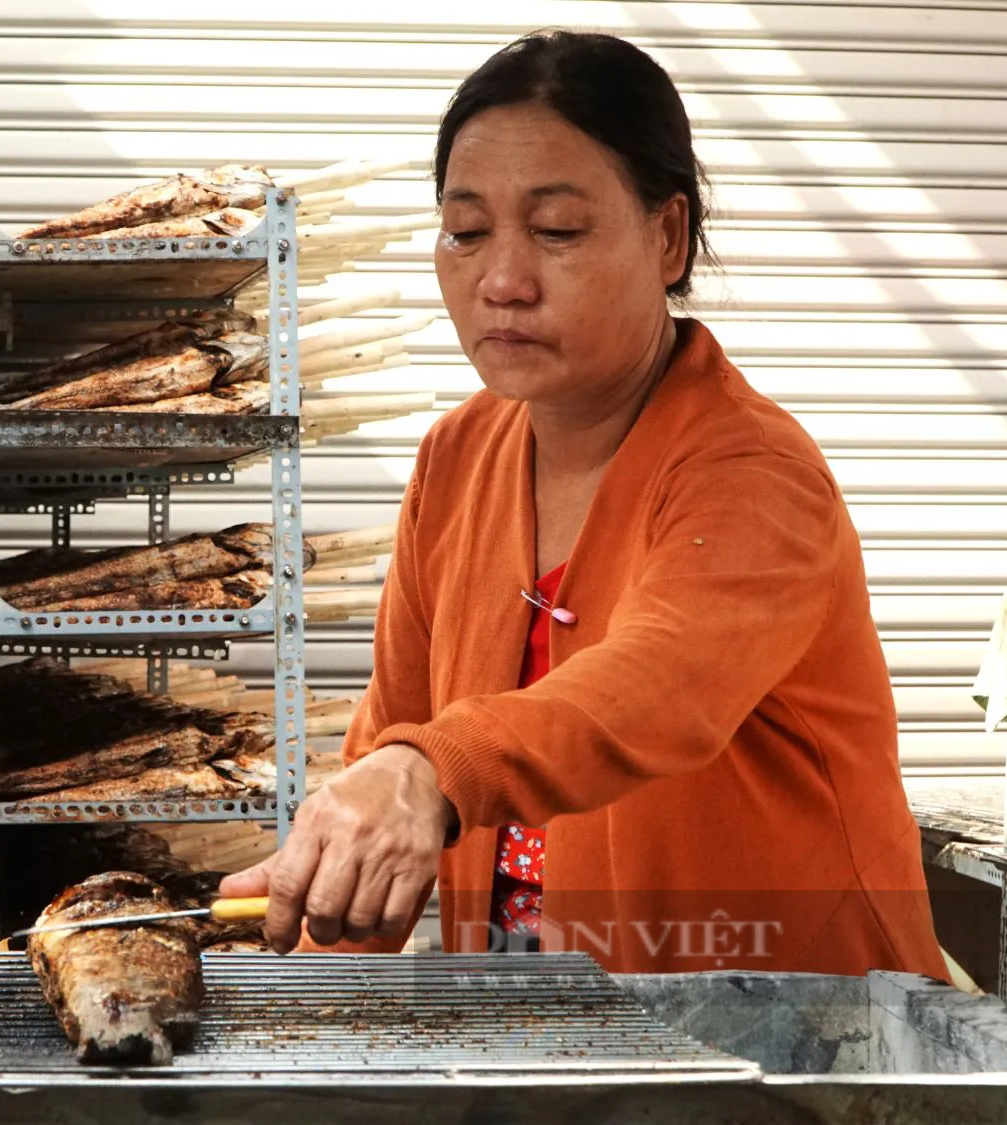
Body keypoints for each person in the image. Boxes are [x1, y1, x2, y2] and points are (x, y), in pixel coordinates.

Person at [221, 29, 946, 978]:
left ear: (667, 236)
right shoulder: (455, 456)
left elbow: (653, 691)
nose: (502, 281)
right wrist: (304, 942)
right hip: (545, 1019)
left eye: (557, 230)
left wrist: (431, 771)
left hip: (793, 1024)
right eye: (466, 230)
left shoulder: (754, 471)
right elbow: (392, 727)